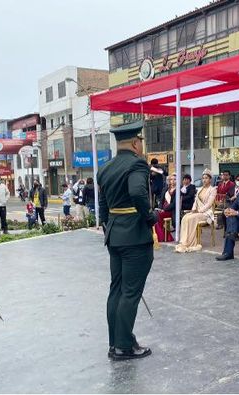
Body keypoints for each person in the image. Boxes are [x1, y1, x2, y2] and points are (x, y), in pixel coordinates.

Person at [97, 121, 157, 361]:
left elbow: (102, 203)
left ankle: (116, 342)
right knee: (130, 292)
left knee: (117, 290)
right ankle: (124, 346)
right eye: (140, 141)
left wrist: (106, 224)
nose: (141, 144)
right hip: (134, 236)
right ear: (135, 142)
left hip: (115, 235)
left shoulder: (106, 167)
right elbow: (136, 193)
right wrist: (149, 216)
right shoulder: (137, 164)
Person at [175, 169, 217, 253]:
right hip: (197, 211)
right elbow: (196, 201)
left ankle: (190, 242)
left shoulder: (213, 189)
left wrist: (199, 210)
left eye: (206, 178)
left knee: (191, 218)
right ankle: (184, 241)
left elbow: (209, 204)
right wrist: (193, 209)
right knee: (185, 217)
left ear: (210, 179)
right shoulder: (200, 189)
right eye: (203, 178)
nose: (204, 180)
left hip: (206, 213)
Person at [154, 174, 177, 242]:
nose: (172, 181)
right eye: (171, 179)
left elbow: (174, 204)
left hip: (171, 211)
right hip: (162, 210)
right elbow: (161, 201)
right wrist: (160, 208)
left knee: (156, 216)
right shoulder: (165, 189)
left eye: (174, 179)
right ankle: (166, 237)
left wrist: (164, 209)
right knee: (154, 214)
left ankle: (162, 237)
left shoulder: (178, 189)